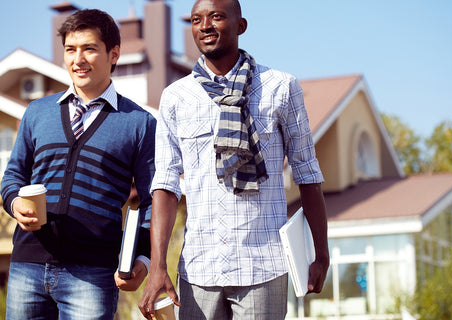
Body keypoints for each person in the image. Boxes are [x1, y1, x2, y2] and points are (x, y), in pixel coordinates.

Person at [139, 0, 329, 318]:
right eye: (196, 19)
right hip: (199, 268)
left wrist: (321, 253)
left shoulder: (280, 88)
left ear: (241, 26)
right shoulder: (175, 97)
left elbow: (307, 171)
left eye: (216, 16)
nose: (205, 25)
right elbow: (166, 184)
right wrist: (158, 265)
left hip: (264, 264)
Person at [0, 9, 156, 320]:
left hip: (93, 274)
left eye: (89, 48)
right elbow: (13, 176)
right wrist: (15, 202)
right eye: (70, 49)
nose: (78, 59)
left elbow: (152, 200)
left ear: (114, 54)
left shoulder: (140, 123)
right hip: (27, 265)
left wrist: (143, 258)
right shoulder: (37, 112)